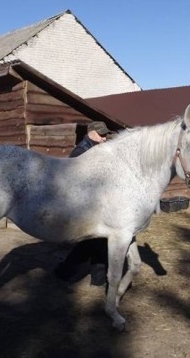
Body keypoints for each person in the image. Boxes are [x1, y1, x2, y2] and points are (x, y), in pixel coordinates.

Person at [56, 121, 112, 286]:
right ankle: (66, 271)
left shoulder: (97, 151)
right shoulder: (81, 152)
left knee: (98, 240)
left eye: (106, 135)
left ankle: (98, 277)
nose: (104, 138)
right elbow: (76, 182)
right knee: (91, 241)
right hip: (84, 206)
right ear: (91, 133)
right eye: (101, 135)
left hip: (96, 204)